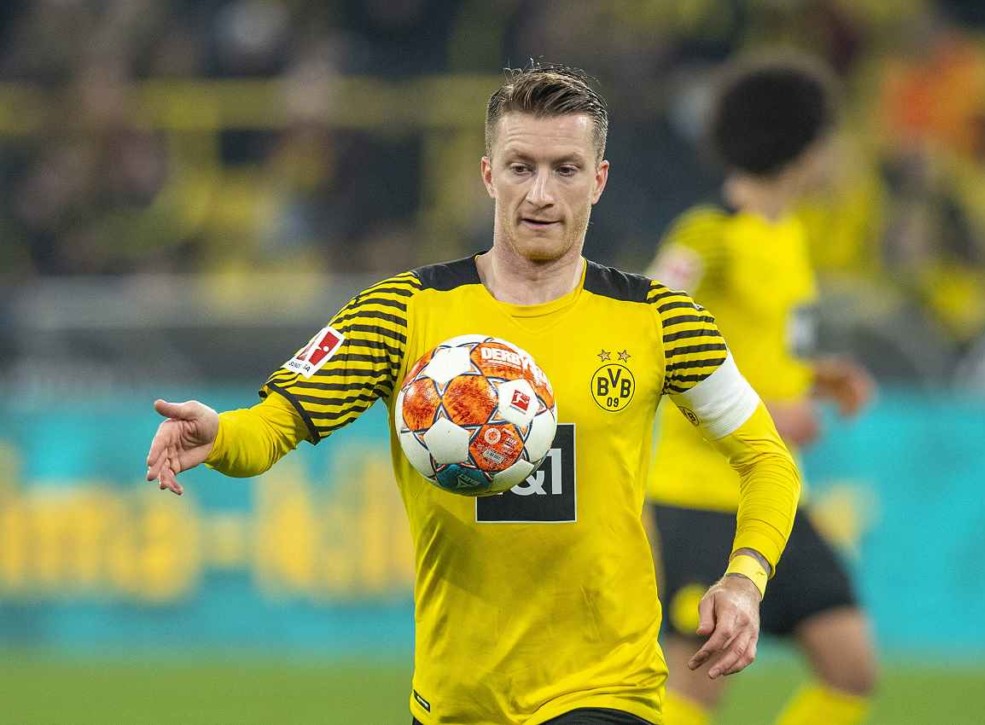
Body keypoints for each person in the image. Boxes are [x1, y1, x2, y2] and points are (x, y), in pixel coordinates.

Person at [145, 62, 801, 725]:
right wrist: (220, 435)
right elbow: (276, 423)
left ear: (598, 181)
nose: (541, 193)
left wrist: (745, 579)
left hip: (607, 686)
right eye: (521, 167)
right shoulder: (403, 312)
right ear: (489, 174)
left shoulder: (658, 318)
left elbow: (767, 457)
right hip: (457, 696)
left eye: (565, 170)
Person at [645, 54, 877, 725]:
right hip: (699, 497)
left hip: (772, 495)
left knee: (852, 668)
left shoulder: (789, 233)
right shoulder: (708, 234)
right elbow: (649, 338)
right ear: (801, 146)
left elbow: (768, 347)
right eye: (826, 137)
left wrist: (818, 376)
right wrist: (766, 409)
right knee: (696, 686)